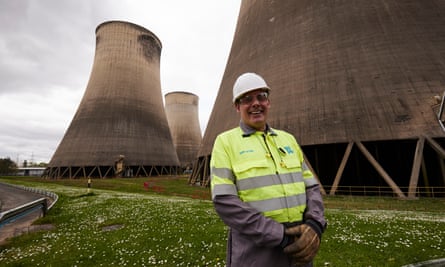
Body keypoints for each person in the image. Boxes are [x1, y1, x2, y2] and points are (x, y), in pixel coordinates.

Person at [210, 72, 327, 267]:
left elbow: (311, 187)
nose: (256, 103)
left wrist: (315, 226)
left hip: (302, 246)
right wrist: (279, 235)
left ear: (268, 102)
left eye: (261, 97)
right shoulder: (226, 142)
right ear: (237, 107)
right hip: (257, 251)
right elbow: (224, 201)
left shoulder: (287, 139)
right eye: (247, 99)